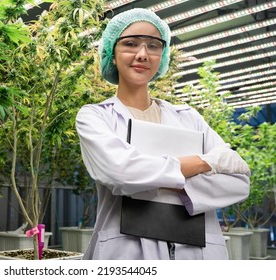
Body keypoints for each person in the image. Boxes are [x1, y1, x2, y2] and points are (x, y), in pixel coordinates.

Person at [75, 8, 250, 260]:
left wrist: (150, 175)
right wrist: (205, 163)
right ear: (112, 54)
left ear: (162, 56)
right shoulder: (95, 117)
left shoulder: (188, 117)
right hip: (128, 252)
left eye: (154, 46)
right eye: (130, 44)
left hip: (195, 253)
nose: (143, 54)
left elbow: (238, 183)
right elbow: (121, 173)